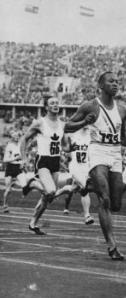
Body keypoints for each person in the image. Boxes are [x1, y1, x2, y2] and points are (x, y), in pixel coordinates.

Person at [65, 71, 126, 261]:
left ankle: (89, 185)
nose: (116, 84)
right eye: (111, 82)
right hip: (97, 153)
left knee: (116, 204)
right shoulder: (90, 105)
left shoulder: (122, 109)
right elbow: (67, 126)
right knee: (105, 199)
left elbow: (123, 138)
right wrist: (85, 122)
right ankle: (111, 245)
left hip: (115, 154)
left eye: (118, 81)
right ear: (101, 86)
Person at [19, 96, 67, 235]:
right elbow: (24, 140)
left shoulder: (62, 124)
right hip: (43, 161)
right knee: (51, 191)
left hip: (55, 161)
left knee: (47, 197)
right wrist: (23, 159)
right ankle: (32, 183)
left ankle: (33, 224)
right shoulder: (40, 123)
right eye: (52, 103)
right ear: (46, 107)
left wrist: (72, 148)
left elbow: (64, 145)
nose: (55, 105)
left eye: (57, 103)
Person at [60, 126, 95, 225]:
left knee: (73, 188)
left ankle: (57, 192)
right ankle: (87, 216)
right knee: (85, 187)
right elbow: (64, 145)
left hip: (86, 167)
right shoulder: (73, 134)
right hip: (75, 166)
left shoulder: (92, 134)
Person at [2, 131, 28, 213]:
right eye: (15, 136)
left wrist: (24, 166)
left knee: (25, 186)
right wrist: (15, 159)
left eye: (18, 136)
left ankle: (14, 182)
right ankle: (5, 206)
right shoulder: (9, 146)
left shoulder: (21, 145)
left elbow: (23, 157)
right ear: (12, 138)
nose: (17, 137)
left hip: (18, 167)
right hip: (10, 167)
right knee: (8, 190)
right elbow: (5, 160)